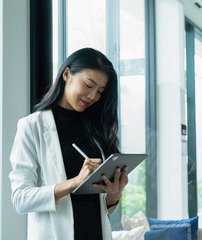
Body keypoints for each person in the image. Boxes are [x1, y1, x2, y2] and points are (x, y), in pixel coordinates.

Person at [9, 48, 128, 240]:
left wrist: (113, 196)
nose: (93, 96)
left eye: (100, 91)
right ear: (66, 74)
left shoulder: (95, 129)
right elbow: (20, 199)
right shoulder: (32, 126)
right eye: (88, 85)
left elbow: (99, 203)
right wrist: (74, 183)